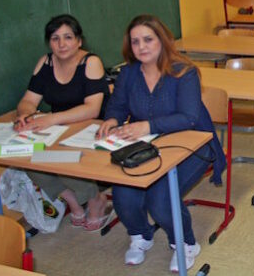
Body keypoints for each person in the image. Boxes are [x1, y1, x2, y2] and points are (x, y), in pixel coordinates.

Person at [97, 15, 226, 273]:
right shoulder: (128, 73)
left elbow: (188, 117)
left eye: (148, 39)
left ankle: (186, 244)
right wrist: (112, 120)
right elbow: (119, 105)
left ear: (163, 40)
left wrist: (147, 125)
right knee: (123, 192)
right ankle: (141, 234)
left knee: (161, 198)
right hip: (147, 145)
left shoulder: (184, 72)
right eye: (135, 42)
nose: (141, 47)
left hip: (194, 145)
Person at [14, 14, 111, 231]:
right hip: (58, 128)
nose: (61, 44)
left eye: (68, 37)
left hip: (91, 126)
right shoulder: (45, 62)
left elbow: (92, 108)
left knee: (65, 158)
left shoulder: (91, 62)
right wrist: (25, 115)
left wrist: (51, 119)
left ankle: (95, 199)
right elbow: (29, 100)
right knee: (27, 159)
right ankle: (72, 201)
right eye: (55, 38)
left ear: (79, 40)